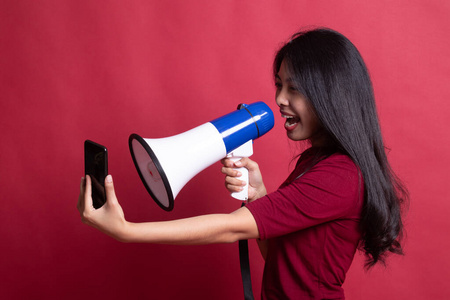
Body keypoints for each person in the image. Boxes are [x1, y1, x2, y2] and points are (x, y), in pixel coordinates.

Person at [78, 27, 407, 299]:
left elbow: (231, 228)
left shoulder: (340, 176)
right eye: (279, 85)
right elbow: (279, 261)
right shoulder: (314, 161)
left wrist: (126, 231)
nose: (280, 99)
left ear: (330, 94)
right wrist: (259, 198)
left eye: (294, 89)